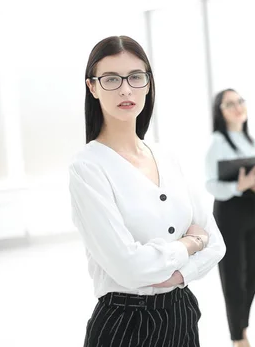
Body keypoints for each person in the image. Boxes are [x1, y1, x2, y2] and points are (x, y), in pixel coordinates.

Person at [69, 35, 226, 347]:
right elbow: (129, 267)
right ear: (92, 87)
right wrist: (189, 243)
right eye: (111, 79)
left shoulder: (167, 157)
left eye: (136, 77)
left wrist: (178, 276)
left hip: (182, 314)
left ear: (148, 83)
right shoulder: (88, 168)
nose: (126, 89)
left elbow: (217, 244)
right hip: (125, 323)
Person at [205, 89, 255, 347]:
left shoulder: (248, 139)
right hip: (229, 211)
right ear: (219, 112)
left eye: (239, 101)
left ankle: (241, 327)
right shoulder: (217, 142)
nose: (237, 107)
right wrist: (237, 187)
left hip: (253, 207)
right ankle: (238, 338)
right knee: (233, 276)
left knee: (251, 275)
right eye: (229, 104)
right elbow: (211, 184)